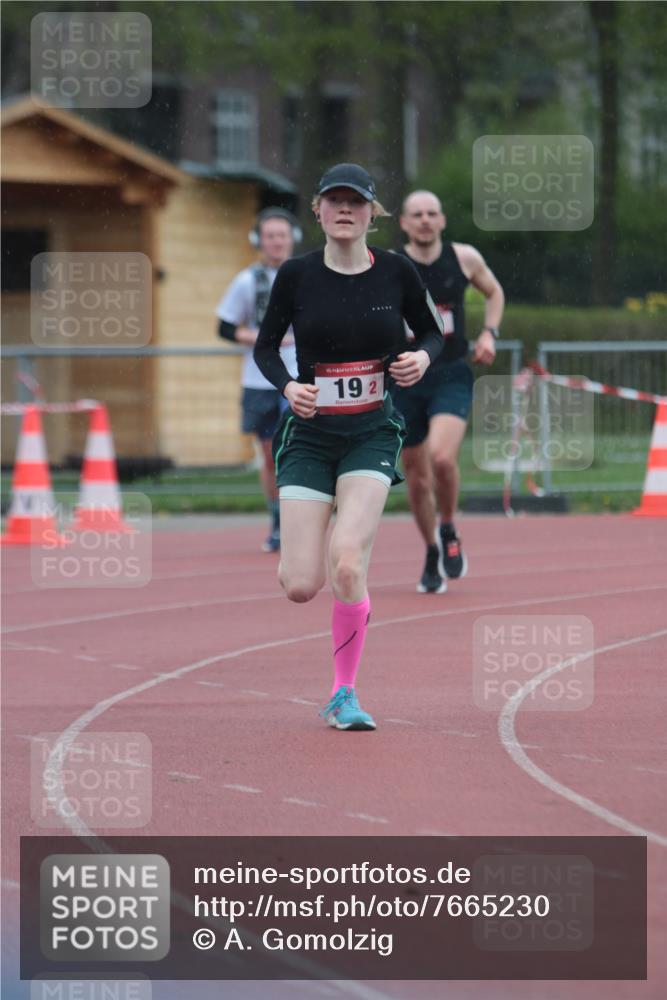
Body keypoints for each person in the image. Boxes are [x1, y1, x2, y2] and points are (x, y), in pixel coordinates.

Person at [254, 164, 444, 731]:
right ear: (317, 210)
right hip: (310, 437)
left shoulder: (398, 272)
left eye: (355, 202)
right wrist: (289, 386)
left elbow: (433, 331)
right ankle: (315, 560)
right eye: (333, 201)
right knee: (299, 584)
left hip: (371, 433)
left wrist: (422, 358)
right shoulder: (295, 275)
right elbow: (267, 349)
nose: (344, 210)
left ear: (371, 213)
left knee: (347, 562)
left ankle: (344, 693)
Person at [392, 190, 505, 594]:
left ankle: (449, 526)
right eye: (416, 214)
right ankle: (430, 550)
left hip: (451, 371)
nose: (425, 220)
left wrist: (489, 334)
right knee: (417, 477)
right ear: (404, 223)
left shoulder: (464, 258)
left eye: (432, 213)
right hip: (404, 377)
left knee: (441, 458)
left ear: (441, 220)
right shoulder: (389, 264)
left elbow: (494, 292)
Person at [216, 207, 301, 552]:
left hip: (303, 376)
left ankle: (306, 519)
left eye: (282, 235)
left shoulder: (308, 275)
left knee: (300, 451)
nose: (277, 242)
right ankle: (279, 519)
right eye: (270, 236)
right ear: (258, 241)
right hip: (260, 378)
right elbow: (224, 327)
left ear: (292, 239)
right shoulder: (247, 280)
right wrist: (263, 338)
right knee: (271, 456)